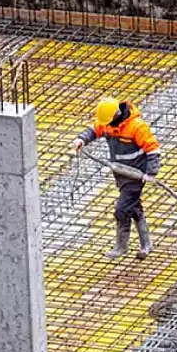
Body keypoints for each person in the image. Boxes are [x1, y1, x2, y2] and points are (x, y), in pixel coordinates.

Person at [73, 97, 160, 260]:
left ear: (117, 114)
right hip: (120, 173)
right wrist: (81, 139)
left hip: (135, 174)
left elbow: (153, 149)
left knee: (122, 210)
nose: (106, 125)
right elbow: (94, 129)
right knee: (133, 207)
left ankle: (121, 246)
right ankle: (146, 244)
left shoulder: (136, 126)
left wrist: (151, 172)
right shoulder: (108, 123)